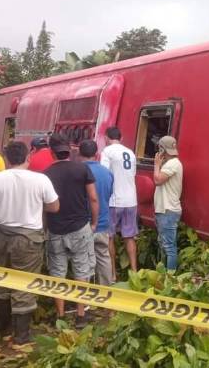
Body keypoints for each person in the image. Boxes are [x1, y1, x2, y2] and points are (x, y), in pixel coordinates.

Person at [0, 141, 59, 346]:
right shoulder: (40, 179)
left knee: (1, 281)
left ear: (6, 159)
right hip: (28, 240)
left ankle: (4, 326)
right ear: (28, 157)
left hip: (0, 236)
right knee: (24, 284)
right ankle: (21, 335)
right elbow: (54, 207)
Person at [44, 134, 98, 328]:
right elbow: (93, 198)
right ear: (69, 150)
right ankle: (81, 315)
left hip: (55, 229)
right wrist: (94, 223)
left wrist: (45, 228)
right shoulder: (82, 169)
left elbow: (45, 206)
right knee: (81, 270)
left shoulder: (46, 174)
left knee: (57, 272)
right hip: (80, 227)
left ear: (52, 152)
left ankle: (60, 316)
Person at [100, 126, 138, 278]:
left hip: (114, 201)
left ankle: (113, 274)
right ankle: (134, 272)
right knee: (129, 236)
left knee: (109, 237)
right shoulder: (130, 153)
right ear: (121, 138)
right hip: (131, 200)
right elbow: (132, 174)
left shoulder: (107, 152)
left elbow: (104, 174)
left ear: (106, 138)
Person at [79, 139, 114, 286]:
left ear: (79, 154)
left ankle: (84, 291)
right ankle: (106, 289)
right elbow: (108, 195)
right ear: (97, 154)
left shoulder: (78, 171)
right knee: (103, 257)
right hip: (103, 223)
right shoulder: (107, 173)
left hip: (83, 225)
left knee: (82, 260)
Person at [153, 136, 183, 271]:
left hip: (168, 210)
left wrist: (156, 165)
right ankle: (163, 274)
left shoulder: (172, 164)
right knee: (164, 245)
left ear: (162, 149)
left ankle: (170, 277)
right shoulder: (173, 163)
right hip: (166, 210)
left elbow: (158, 180)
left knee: (169, 247)